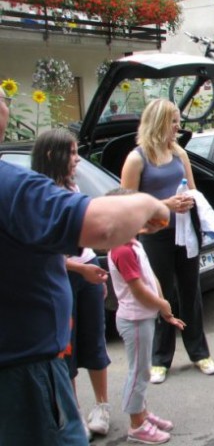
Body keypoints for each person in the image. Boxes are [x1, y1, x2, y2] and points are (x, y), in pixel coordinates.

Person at [0, 86, 170, 445]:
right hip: (23, 371)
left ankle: (100, 406)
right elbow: (102, 226)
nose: (5, 101)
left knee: (91, 347)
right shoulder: (13, 185)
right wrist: (152, 204)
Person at [121, 98, 214, 385]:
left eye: (178, 120)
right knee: (162, 295)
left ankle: (199, 353)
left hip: (185, 232)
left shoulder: (179, 153)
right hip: (155, 235)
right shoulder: (137, 158)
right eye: (174, 121)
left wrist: (189, 201)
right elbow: (127, 203)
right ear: (159, 122)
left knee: (191, 291)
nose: (178, 126)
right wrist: (166, 204)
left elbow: (193, 190)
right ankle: (160, 359)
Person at [31, 129, 112, 439]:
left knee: (95, 339)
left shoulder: (72, 186)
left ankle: (102, 406)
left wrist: (92, 270)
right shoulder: (37, 193)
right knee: (67, 347)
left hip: (87, 271)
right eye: (74, 153)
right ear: (53, 155)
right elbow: (40, 250)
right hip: (61, 276)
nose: (78, 159)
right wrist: (79, 269)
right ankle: (74, 411)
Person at [108, 189, 186, 444]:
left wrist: (164, 307)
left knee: (140, 369)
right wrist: (163, 305)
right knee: (139, 372)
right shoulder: (123, 250)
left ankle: (141, 412)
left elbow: (150, 278)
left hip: (144, 316)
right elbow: (139, 290)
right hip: (135, 319)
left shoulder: (132, 241)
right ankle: (136, 425)